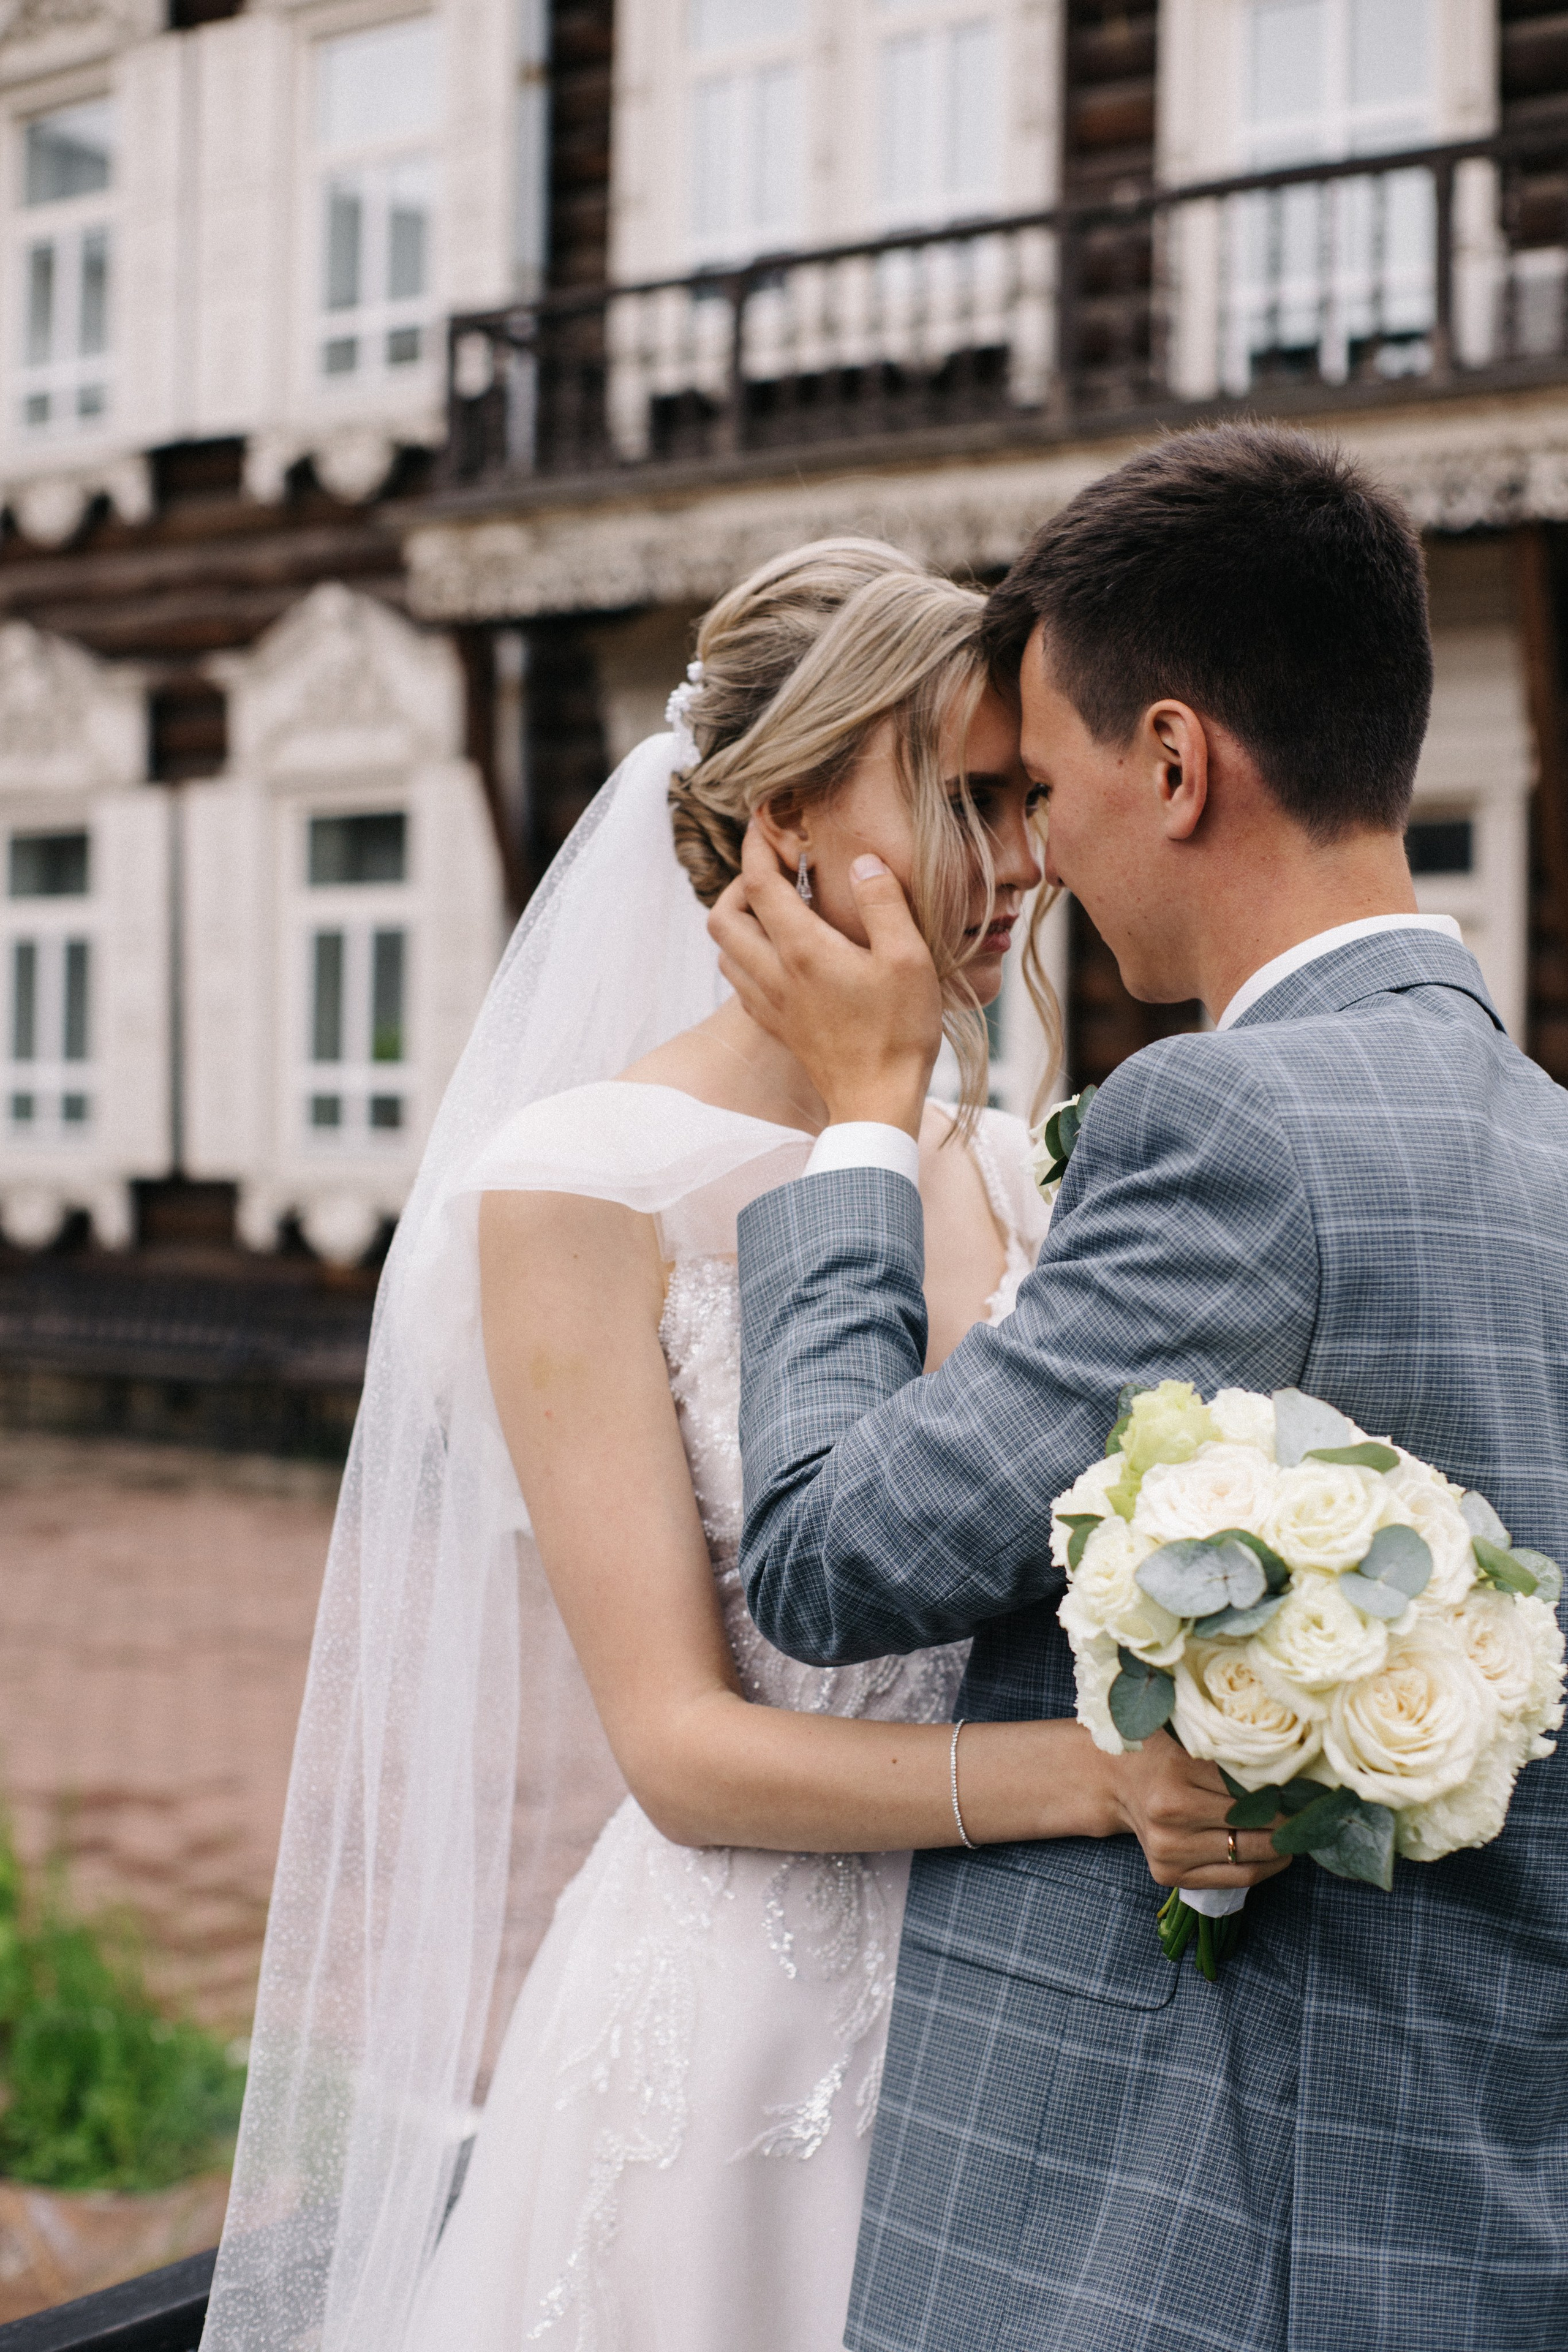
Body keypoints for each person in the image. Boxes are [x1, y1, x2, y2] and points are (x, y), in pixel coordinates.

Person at [201, 538, 1247, 2352]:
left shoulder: (1013, 1166)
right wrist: (1091, 1783)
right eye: (960, 797)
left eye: (1028, 801)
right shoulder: (575, 1187)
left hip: (1010, 2027)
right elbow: (680, 1749)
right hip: (731, 2052)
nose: (1019, 865)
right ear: (777, 818)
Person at [714, 426, 1568, 2352]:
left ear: (1172, 763)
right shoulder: (1542, 1138)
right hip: (1479, 2209)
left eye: (1043, 787)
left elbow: (830, 1556)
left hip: (1192, 2240)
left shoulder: (1228, 1125)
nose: (1035, 857)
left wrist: (861, 1120)